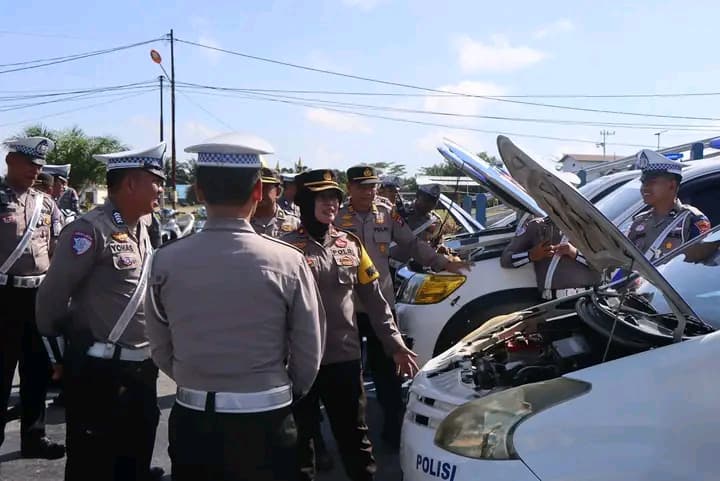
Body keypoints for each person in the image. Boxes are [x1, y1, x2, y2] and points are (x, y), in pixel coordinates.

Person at [145, 133, 324, 481]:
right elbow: (309, 349)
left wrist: (194, 378)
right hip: (267, 417)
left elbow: (159, 344)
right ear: (258, 191)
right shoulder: (288, 260)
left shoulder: (165, 261)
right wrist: (284, 389)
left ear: (198, 191)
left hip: (195, 415)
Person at [36, 142, 167, 481]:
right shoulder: (90, 230)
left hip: (141, 371)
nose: (162, 188)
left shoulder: (142, 227)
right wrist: (60, 357)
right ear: (131, 184)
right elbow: (51, 297)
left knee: (135, 458)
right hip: (100, 371)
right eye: (156, 180)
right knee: (92, 465)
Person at [282, 169, 418, 481]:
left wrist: (395, 345)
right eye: (322, 197)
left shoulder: (351, 246)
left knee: (355, 441)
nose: (330, 203)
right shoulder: (284, 250)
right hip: (298, 363)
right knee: (299, 444)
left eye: (334, 197)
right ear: (304, 201)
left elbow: (376, 301)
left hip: (343, 360)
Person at [336, 165, 469, 449]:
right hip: (343, 307)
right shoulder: (336, 215)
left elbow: (411, 243)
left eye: (372, 186)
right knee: (346, 371)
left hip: (380, 305)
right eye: (362, 186)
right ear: (349, 188)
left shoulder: (386, 213)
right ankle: (350, 433)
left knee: (388, 371)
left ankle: (393, 429)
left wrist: (444, 263)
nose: (369, 192)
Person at [0, 136, 65, 459]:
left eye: (39, 165)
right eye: (30, 163)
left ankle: (33, 437)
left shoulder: (46, 203)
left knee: (36, 369)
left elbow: (55, 249)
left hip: (37, 296)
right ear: (11, 160)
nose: (35, 170)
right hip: (3, 295)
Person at [626, 149, 711, 261]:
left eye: (652, 182)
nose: (645, 187)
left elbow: (697, 267)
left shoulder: (692, 220)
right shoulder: (639, 221)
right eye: (643, 182)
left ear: (672, 185)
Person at [501, 216, 601, 300]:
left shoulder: (590, 227)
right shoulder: (536, 226)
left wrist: (575, 253)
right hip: (552, 303)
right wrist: (531, 255)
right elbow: (506, 260)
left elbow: (604, 265)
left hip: (587, 300)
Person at [250, 167, 300, 237]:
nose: (259, 192)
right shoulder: (242, 222)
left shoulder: (294, 223)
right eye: (255, 187)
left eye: (264, 188)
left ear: (278, 192)